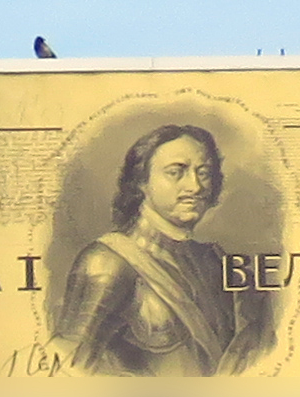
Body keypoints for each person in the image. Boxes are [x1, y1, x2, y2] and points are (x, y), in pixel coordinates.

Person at [48, 121, 263, 377]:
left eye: (203, 173)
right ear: (142, 182)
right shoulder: (106, 262)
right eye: (176, 172)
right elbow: (65, 373)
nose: (195, 187)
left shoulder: (215, 261)